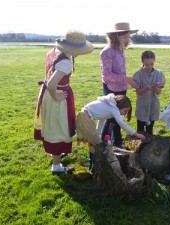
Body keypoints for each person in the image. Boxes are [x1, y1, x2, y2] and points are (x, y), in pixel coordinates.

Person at [34, 30, 93, 173]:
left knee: (53, 125)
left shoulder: (53, 52)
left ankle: (56, 155)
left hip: (48, 94)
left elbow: (49, 79)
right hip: (57, 96)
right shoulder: (66, 61)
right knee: (58, 128)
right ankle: (56, 166)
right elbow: (53, 83)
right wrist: (56, 96)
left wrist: (52, 93)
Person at [76, 93, 145, 172]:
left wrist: (98, 133)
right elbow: (122, 124)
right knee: (98, 145)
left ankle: (93, 166)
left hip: (84, 117)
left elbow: (101, 118)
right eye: (125, 111)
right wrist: (137, 134)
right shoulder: (113, 108)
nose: (125, 114)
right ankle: (95, 167)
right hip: (84, 118)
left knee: (94, 144)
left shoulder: (109, 106)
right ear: (121, 106)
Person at [100, 22, 138, 147]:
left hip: (121, 89)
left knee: (118, 118)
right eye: (125, 37)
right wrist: (125, 78)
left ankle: (117, 142)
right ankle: (104, 144)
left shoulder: (120, 50)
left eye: (128, 36)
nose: (127, 40)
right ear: (116, 36)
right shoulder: (107, 52)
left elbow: (120, 71)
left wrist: (127, 81)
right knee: (111, 119)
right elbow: (107, 76)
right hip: (112, 90)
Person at [133, 50, 166, 135]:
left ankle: (148, 146)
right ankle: (139, 146)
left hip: (153, 105)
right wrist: (146, 88)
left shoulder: (159, 74)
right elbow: (138, 92)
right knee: (140, 130)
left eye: (152, 64)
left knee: (149, 130)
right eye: (147, 64)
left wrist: (155, 88)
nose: (149, 66)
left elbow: (159, 92)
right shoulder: (138, 74)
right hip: (142, 106)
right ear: (142, 62)